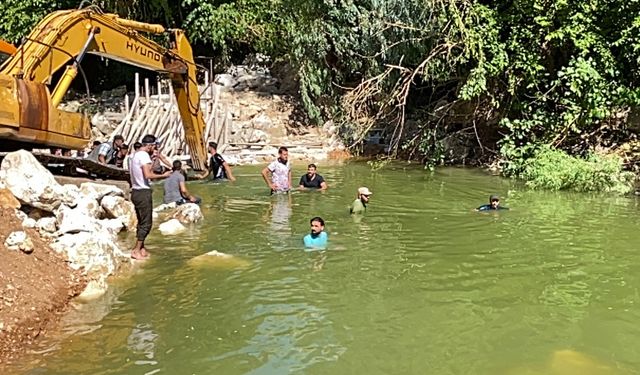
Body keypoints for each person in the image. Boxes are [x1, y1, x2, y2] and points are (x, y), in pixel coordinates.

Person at [129, 134, 172, 260]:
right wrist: (164, 175)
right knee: (147, 223)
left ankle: (142, 247)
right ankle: (136, 250)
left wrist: (153, 160)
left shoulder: (136, 155)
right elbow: (148, 175)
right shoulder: (143, 156)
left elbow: (146, 171)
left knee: (141, 221)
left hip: (135, 191)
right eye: (154, 146)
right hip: (143, 192)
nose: (155, 148)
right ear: (149, 146)